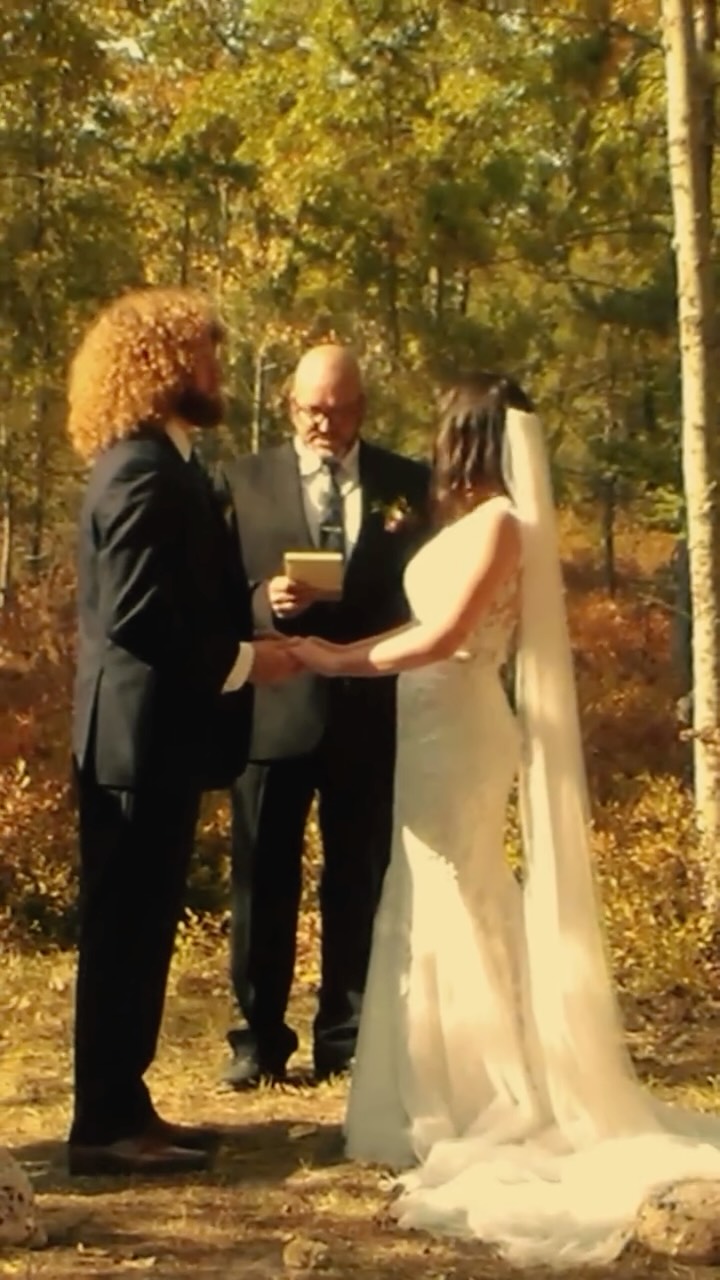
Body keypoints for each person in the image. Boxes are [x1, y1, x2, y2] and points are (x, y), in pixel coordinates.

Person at [295, 374, 720, 1267]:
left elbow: (444, 636)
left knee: (462, 891)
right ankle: (423, 1089)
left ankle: (489, 1090)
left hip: (458, 724)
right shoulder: (472, 522)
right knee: (424, 891)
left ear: (470, 437)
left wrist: (334, 657)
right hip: (430, 723)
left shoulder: (498, 527)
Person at [67, 287, 300, 1177]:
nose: (217, 368)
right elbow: (136, 614)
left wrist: (247, 625)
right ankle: (101, 1127)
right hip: (134, 739)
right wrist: (242, 661)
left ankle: (127, 1104)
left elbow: (178, 595)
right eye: (204, 353)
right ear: (164, 365)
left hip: (156, 737)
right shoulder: (136, 468)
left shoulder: (167, 462)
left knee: (142, 927)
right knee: (123, 929)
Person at [221, 344, 430, 1085]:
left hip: (367, 709)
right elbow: (211, 588)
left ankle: (345, 1037)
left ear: (361, 409)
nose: (323, 422)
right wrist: (260, 602)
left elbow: (426, 592)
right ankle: (256, 1040)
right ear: (290, 406)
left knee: (357, 877)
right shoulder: (243, 480)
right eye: (311, 408)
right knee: (262, 876)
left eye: (338, 410)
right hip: (274, 705)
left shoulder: (407, 484)